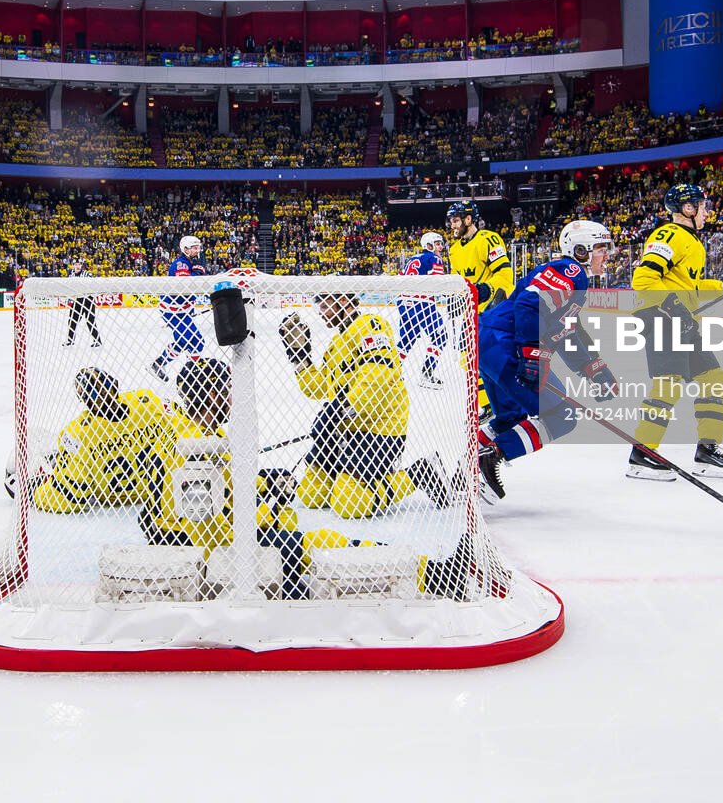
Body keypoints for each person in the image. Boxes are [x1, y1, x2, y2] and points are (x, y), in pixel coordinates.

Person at [136, 356, 474, 600]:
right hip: (214, 553)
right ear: (210, 395)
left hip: (195, 542)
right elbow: (223, 521)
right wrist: (273, 506)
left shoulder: (189, 432)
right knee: (325, 543)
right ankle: (436, 576)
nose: (231, 396)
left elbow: (217, 497)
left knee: (291, 523)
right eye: (225, 388)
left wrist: (269, 483)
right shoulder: (202, 447)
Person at [472, 220, 617, 502]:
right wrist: (531, 352)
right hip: (506, 344)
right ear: (581, 250)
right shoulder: (571, 271)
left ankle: (460, 464)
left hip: (490, 343)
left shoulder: (573, 281)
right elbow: (529, 304)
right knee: (561, 416)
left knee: (511, 417)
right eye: (601, 248)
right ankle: (490, 458)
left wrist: (594, 369)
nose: (606, 255)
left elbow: (567, 332)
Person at [278, 290, 449, 518]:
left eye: (324, 303)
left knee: (349, 503)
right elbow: (317, 389)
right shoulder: (338, 341)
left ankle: (419, 473)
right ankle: (347, 476)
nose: (319, 310)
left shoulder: (371, 326)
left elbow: (376, 380)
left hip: (380, 430)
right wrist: (300, 356)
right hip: (345, 428)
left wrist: (339, 410)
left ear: (343, 301)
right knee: (312, 496)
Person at [625, 182, 723, 482]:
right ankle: (642, 454)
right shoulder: (668, 234)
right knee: (668, 384)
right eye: (703, 206)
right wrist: (673, 306)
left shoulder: (691, 242)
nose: (707, 212)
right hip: (660, 316)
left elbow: (689, 285)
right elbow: (643, 278)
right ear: (687, 208)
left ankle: (707, 451)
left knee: (713, 380)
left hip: (681, 319)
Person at [12, 367, 171, 509]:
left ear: (86, 401)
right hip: (155, 491)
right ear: (115, 386)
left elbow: (66, 498)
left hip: (114, 501)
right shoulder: (148, 401)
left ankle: (59, 463)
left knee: (65, 459)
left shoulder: (79, 434)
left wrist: (33, 492)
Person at [152, 234, 208, 380]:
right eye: (195, 248)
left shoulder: (190, 263)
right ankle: (192, 372)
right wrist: (197, 272)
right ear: (186, 249)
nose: (198, 251)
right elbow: (185, 286)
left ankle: (160, 363)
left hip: (182, 311)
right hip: (173, 312)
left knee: (184, 341)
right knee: (196, 341)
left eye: (198, 247)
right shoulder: (180, 264)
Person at [396, 231, 450, 381]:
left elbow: (400, 278)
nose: (441, 247)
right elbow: (438, 284)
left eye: (441, 243)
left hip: (403, 302)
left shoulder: (411, 259)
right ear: (429, 245)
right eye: (437, 243)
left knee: (406, 340)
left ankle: (391, 372)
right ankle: (427, 372)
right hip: (422, 303)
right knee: (440, 336)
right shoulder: (434, 259)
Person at [446, 199, 512, 314]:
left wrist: (486, 290)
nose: (452, 226)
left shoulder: (488, 239)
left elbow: (505, 275)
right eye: (451, 222)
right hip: (470, 313)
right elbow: (457, 280)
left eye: (456, 221)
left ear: (468, 219)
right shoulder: (454, 249)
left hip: (493, 311)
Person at [62, 256, 101, 346]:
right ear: (73, 266)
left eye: (79, 264)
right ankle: (70, 340)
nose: (78, 266)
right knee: (72, 320)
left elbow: (93, 285)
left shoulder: (87, 274)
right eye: (76, 264)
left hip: (88, 300)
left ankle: (97, 341)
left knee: (90, 321)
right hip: (77, 301)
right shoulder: (71, 276)